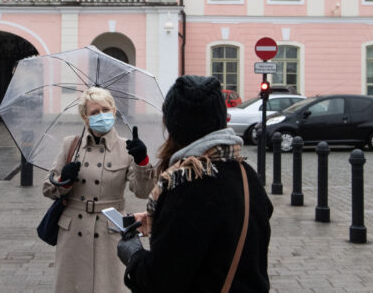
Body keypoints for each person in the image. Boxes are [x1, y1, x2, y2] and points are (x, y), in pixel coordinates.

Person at [116, 75, 273, 293]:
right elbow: (219, 230)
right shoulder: (246, 174)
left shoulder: (186, 184)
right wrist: (160, 219)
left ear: (171, 124)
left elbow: (160, 281)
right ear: (222, 120)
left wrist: (133, 254)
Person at [43, 86, 156, 293]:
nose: (100, 115)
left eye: (105, 110)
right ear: (85, 118)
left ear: (113, 112)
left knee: (109, 287)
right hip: (72, 233)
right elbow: (48, 188)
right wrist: (64, 179)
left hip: (110, 230)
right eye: (94, 112)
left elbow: (141, 191)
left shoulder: (127, 148)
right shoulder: (71, 145)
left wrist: (142, 161)